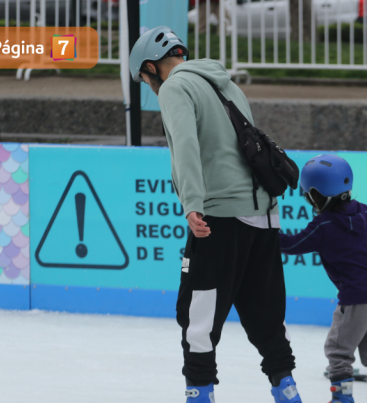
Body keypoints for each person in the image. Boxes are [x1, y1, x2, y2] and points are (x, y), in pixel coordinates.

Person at [129, 26, 302, 403]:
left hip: (220, 218)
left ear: (151, 67)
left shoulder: (175, 87)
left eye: (144, 79)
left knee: (198, 316)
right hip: (265, 215)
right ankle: (287, 390)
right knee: (265, 315)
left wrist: (192, 203)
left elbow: (185, 147)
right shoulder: (225, 82)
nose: (150, 86)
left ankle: (199, 394)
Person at [279, 154, 367, 403]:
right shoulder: (364, 213)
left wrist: (266, 232)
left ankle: (342, 399)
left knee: (339, 351)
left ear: (316, 194)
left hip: (356, 298)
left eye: (307, 194)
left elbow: (292, 244)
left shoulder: (323, 225)